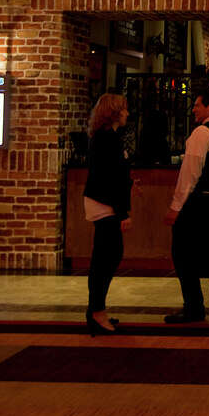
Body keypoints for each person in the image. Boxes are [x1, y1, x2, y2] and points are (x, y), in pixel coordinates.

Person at [163, 89, 209, 325]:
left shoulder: (202, 132)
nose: (193, 109)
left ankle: (194, 308)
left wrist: (176, 206)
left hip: (197, 203)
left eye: (197, 105)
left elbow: (190, 173)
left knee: (183, 255)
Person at [83, 93, 134, 336]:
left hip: (102, 202)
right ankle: (96, 311)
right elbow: (110, 178)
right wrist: (123, 212)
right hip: (105, 204)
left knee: (107, 257)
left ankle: (96, 309)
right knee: (107, 258)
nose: (127, 113)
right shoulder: (108, 139)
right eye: (123, 109)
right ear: (114, 112)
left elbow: (114, 174)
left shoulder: (104, 137)